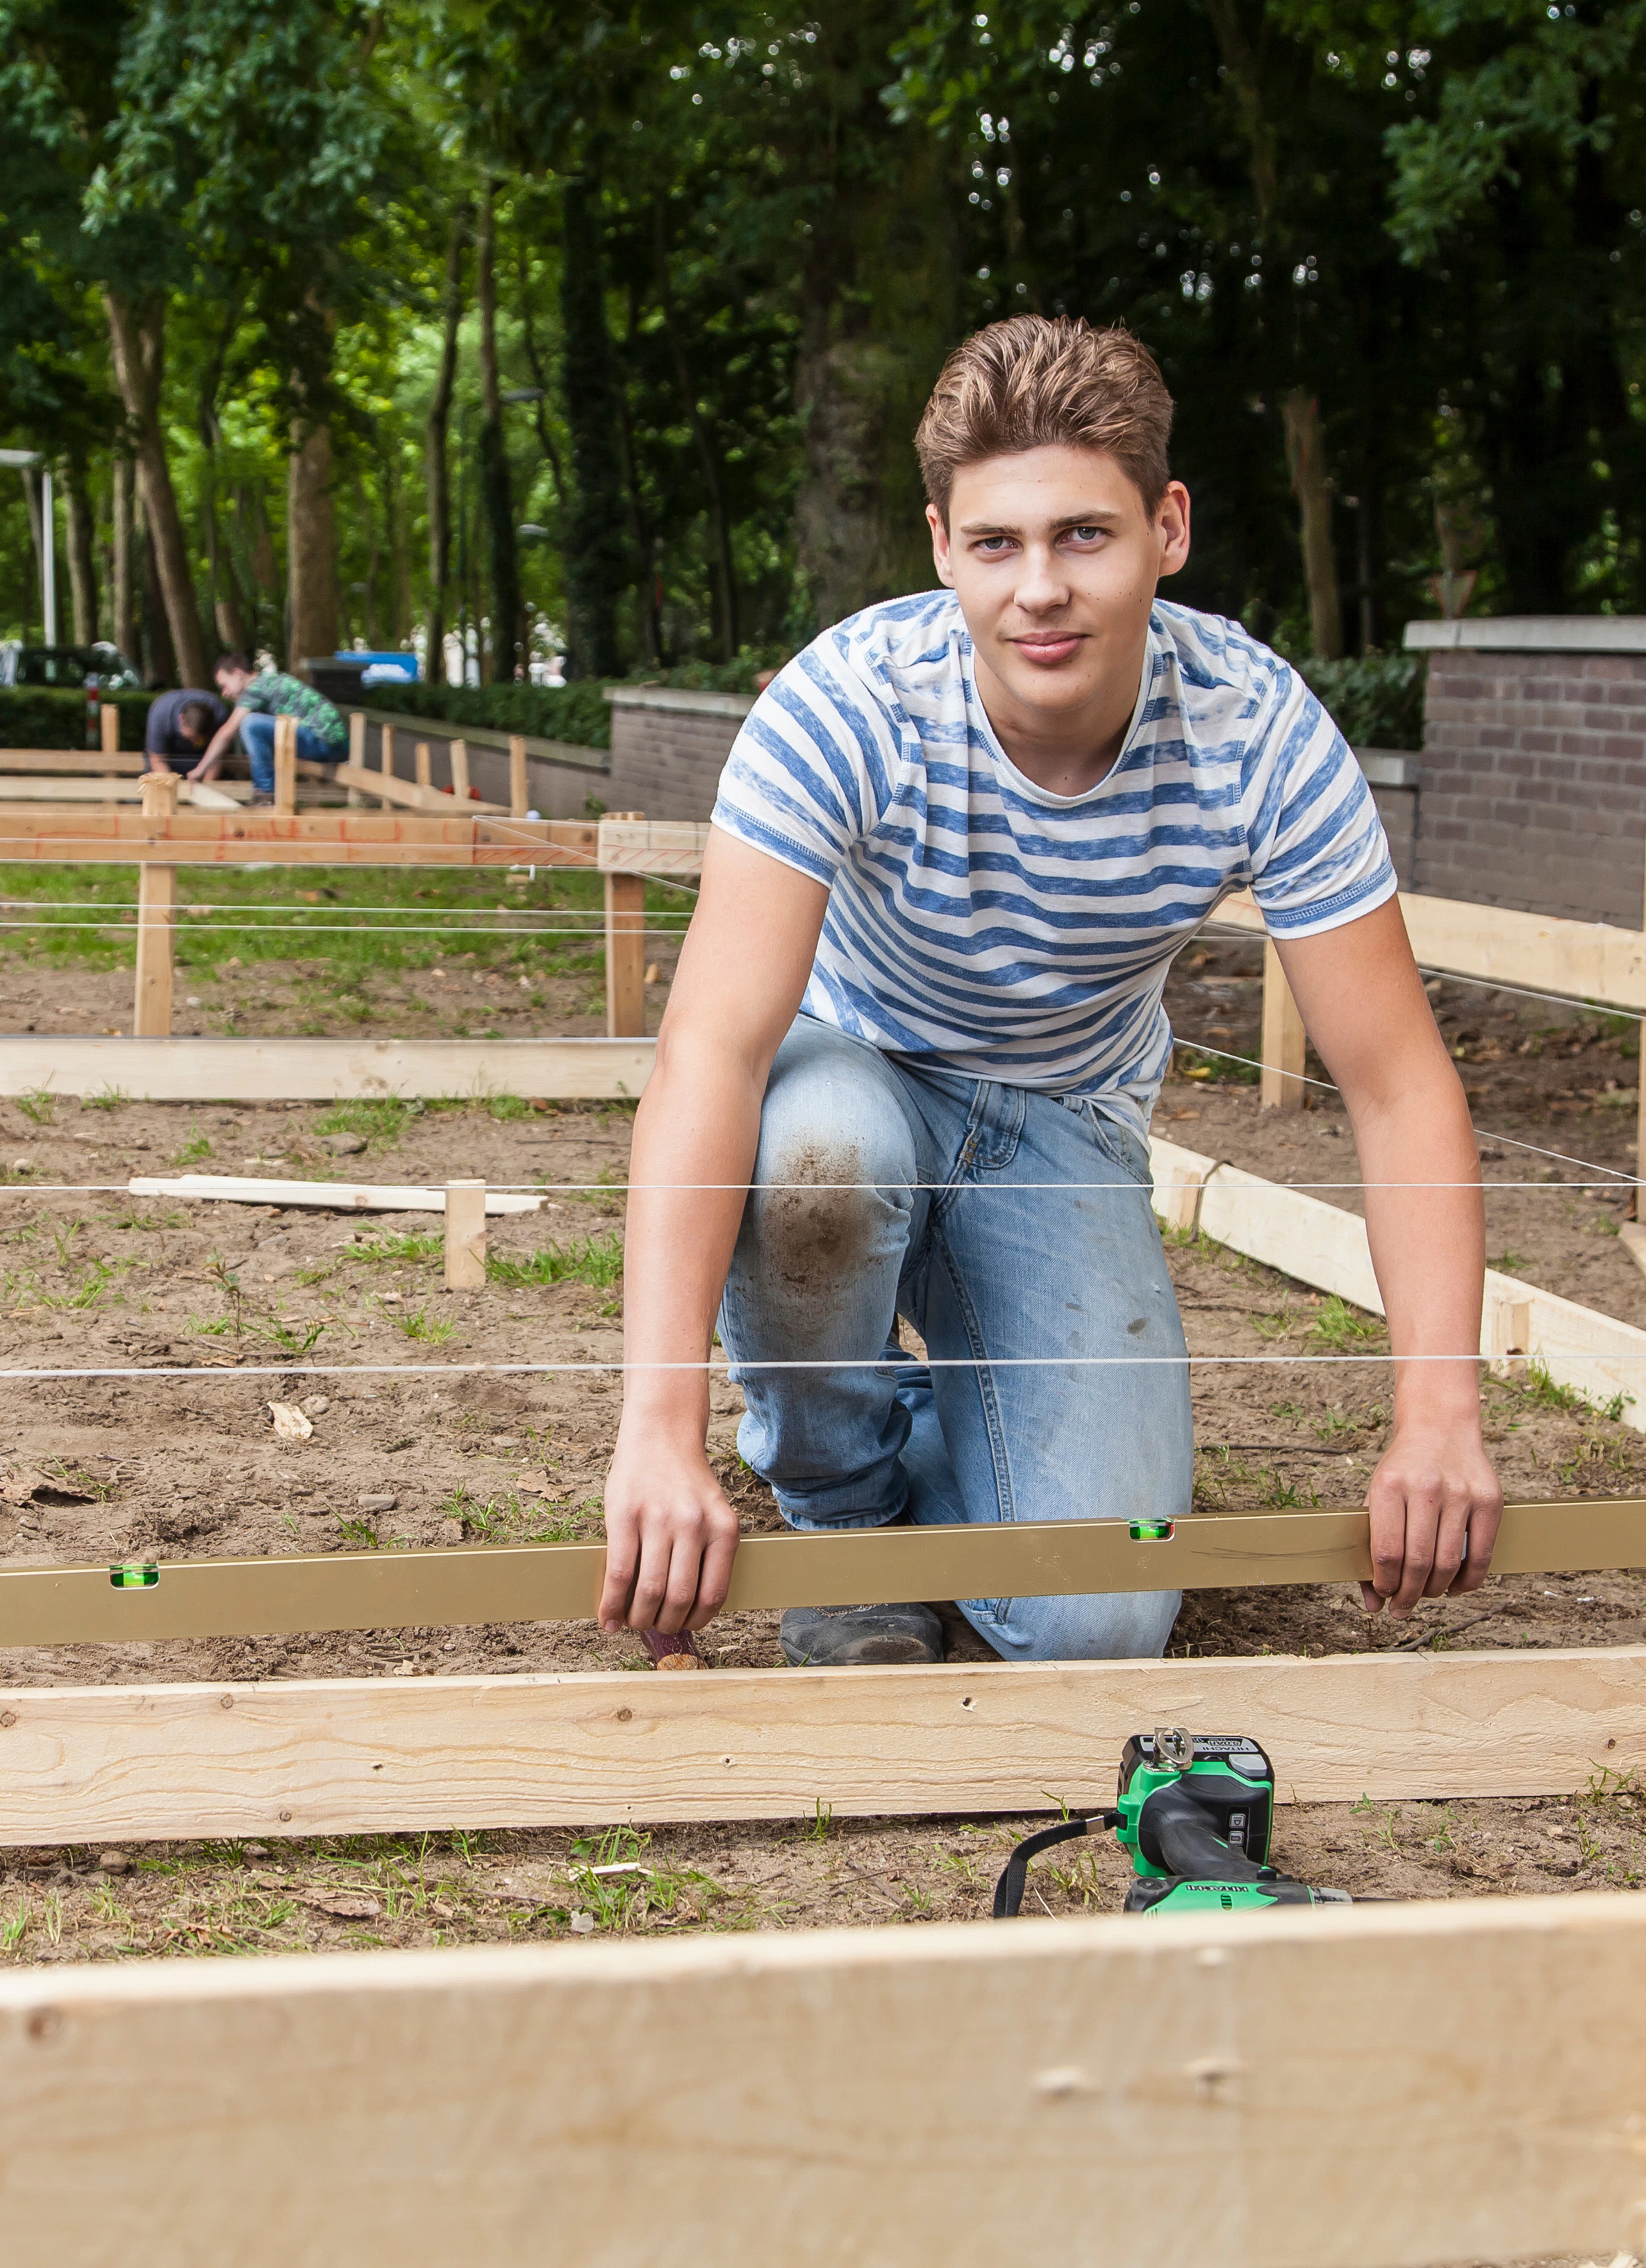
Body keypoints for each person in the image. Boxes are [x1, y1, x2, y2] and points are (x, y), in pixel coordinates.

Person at [599, 315, 1500, 1667]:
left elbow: (1395, 1081)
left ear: (1167, 527)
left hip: (1062, 1110)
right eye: (996, 543)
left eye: (1083, 534)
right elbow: (710, 1059)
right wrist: (656, 1432)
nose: (1039, 588)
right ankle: (844, 1515)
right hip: (850, 1064)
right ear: (940, 548)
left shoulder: (1255, 731)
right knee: (817, 1156)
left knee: (1095, 1620)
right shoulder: (847, 705)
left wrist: (1436, 1408)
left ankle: (954, 1450)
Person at [189, 654, 347, 801]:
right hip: (335, 745)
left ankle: (265, 792)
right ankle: (268, 789)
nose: (224, 693)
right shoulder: (268, 680)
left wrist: (200, 769)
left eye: (224, 685)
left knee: (250, 723)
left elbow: (227, 732)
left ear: (238, 674)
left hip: (324, 743)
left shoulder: (255, 688)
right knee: (257, 726)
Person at [142, 685, 224, 777]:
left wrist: (204, 788)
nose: (195, 744)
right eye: (191, 738)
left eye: (199, 739)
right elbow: (157, 760)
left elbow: (217, 759)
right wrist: (176, 787)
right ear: (181, 719)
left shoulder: (219, 713)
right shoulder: (161, 715)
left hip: (205, 759)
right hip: (168, 759)